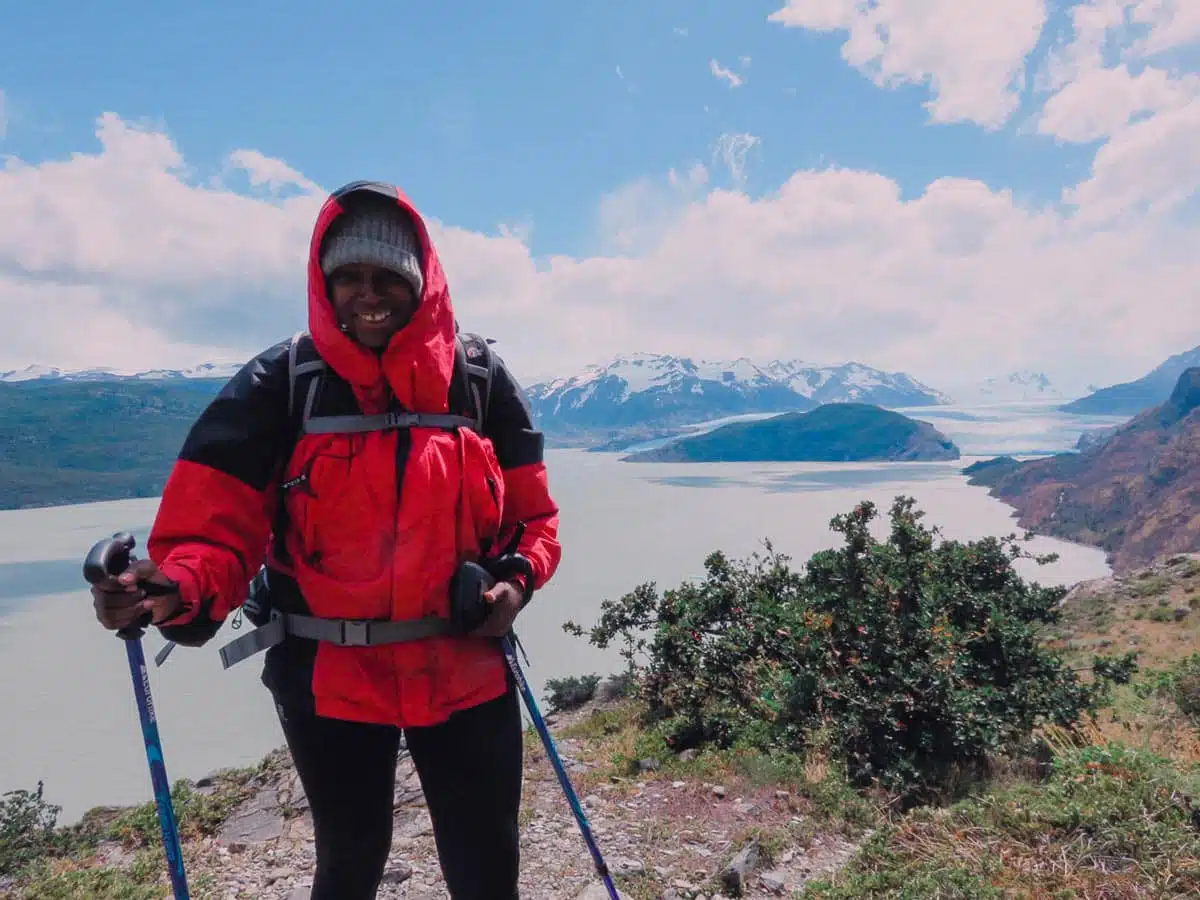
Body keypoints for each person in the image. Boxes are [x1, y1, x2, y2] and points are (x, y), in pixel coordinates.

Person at [89, 180, 563, 899]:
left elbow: (535, 518)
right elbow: (214, 529)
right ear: (324, 281)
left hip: (462, 663)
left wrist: (517, 579)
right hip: (328, 675)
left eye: (388, 279)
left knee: (486, 865)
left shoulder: (477, 379)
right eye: (349, 278)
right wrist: (171, 588)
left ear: (422, 282)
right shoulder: (282, 383)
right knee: (349, 859)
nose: (368, 295)